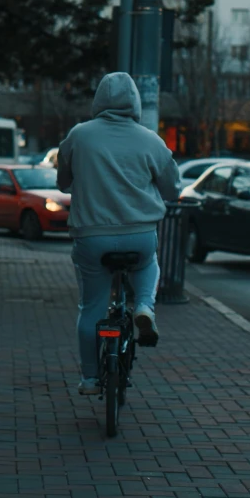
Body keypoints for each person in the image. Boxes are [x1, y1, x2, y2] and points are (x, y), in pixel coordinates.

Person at [57, 72, 181, 395]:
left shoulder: (79, 136)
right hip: (139, 234)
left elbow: (62, 179)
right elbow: (172, 187)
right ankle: (143, 307)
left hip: (91, 237)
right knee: (147, 263)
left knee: (91, 308)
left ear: (98, 100)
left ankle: (89, 378)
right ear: (136, 102)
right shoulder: (151, 140)